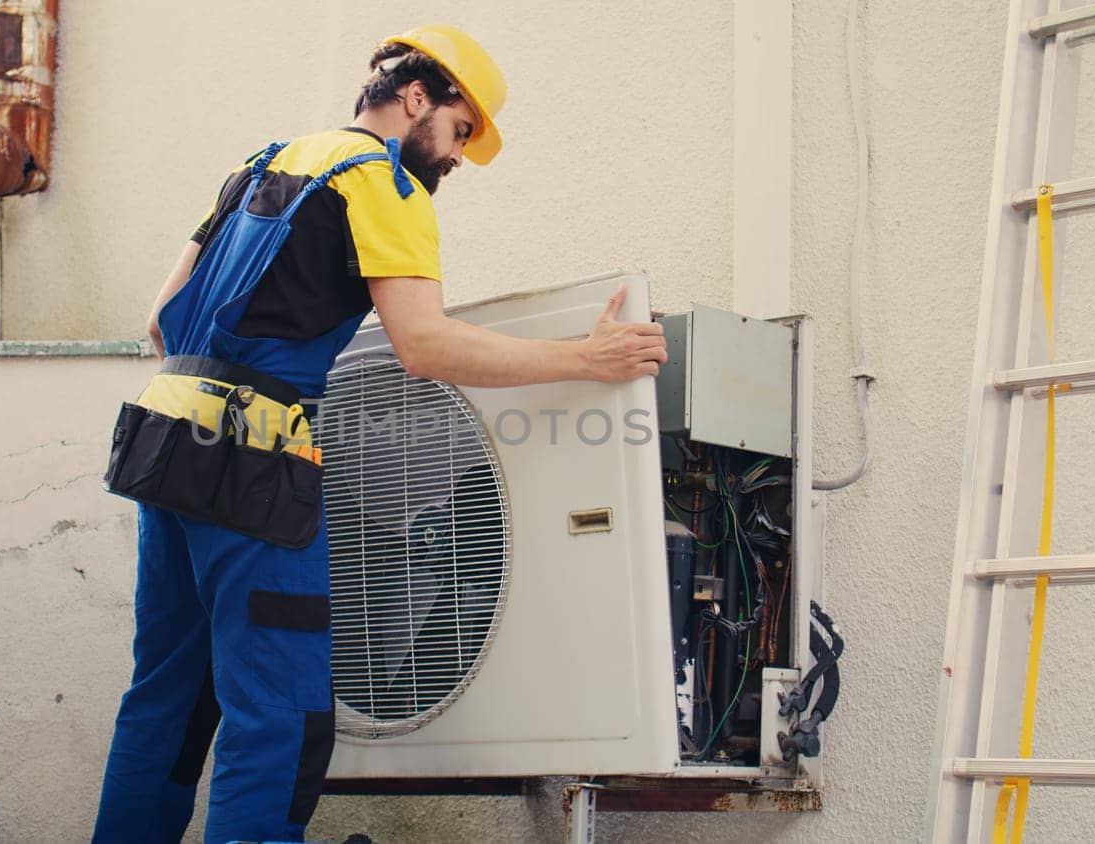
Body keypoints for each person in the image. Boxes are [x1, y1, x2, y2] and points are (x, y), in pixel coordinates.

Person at [93, 25, 666, 843]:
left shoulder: (262, 163)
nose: (458, 157)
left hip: (163, 442)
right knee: (280, 714)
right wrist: (584, 356)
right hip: (253, 463)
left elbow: (159, 321)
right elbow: (424, 344)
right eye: (461, 130)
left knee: (170, 701)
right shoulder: (383, 184)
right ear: (416, 96)